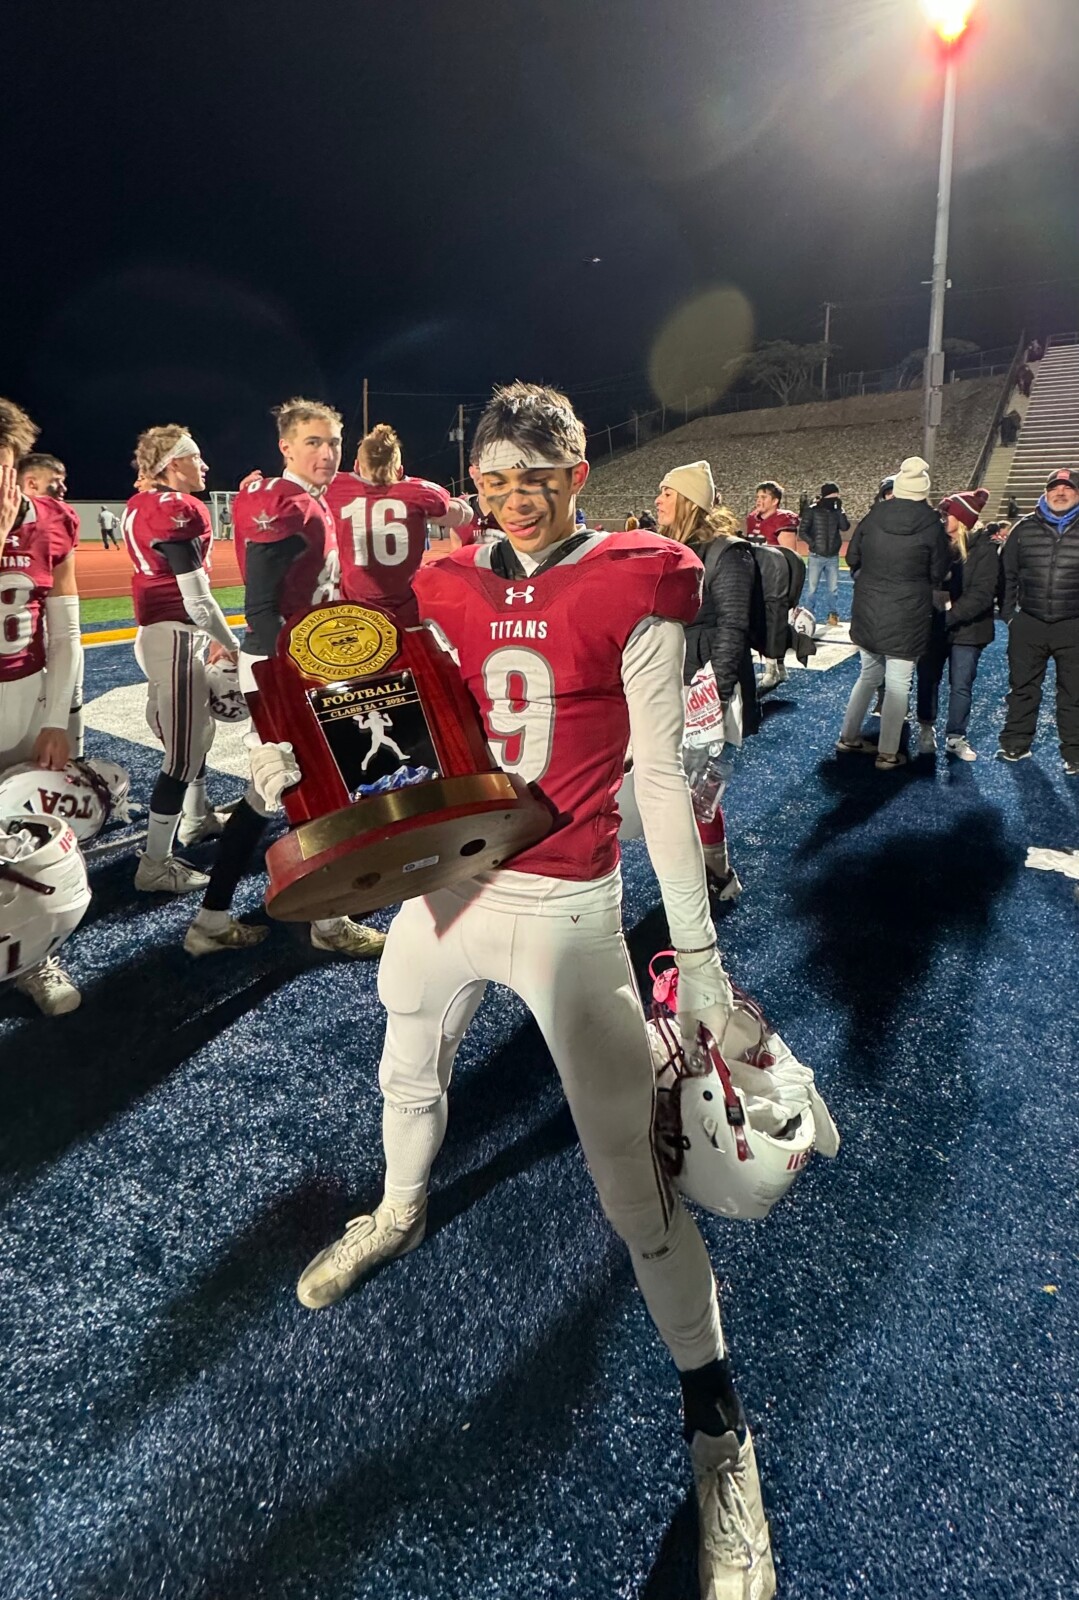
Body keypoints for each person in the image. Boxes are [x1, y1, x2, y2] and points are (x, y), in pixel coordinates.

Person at [270, 383, 778, 1595]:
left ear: (576, 469)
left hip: (566, 904)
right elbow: (420, 733)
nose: (513, 498)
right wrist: (305, 757)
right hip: (454, 882)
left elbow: (658, 780)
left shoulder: (638, 573)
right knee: (403, 1055)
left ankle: (719, 1431)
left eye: (534, 477)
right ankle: (399, 1208)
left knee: (633, 1187)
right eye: (493, 479)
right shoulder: (446, 575)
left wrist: (699, 960)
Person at [183, 396, 386, 958]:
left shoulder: (302, 498)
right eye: (313, 442)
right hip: (285, 664)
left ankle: (213, 919)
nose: (327, 453)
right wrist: (297, 677)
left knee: (272, 789)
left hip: (295, 659)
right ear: (286, 447)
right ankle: (328, 922)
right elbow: (261, 608)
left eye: (334, 442)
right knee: (315, 786)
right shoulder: (286, 504)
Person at [124, 426, 240, 893]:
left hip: (163, 636)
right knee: (183, 755)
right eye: (195, 457)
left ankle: (196, 817)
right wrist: (230, 643)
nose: (204, 465)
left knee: (196, 736)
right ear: (173, 464)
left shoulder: (143, 503)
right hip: (175, 637)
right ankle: (155, 864)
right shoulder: (176, 509)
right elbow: (198, 601)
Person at [0, 398, 83, 1014]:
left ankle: (30, 957)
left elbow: (66, 631)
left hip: (28, 701)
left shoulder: (52, 520)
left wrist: (57, 718)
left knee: (26, 840)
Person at [655, 460, 757, 900]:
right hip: (668, 680)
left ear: (688, 501)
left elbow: (733, 625)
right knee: (677, 786)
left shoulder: (728, 553)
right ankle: (703, 873)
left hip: (703, 686)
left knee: (698, 788)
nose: (658, 500)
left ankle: (717, 873)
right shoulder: (666, 547)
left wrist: (718, 695)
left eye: (667, 493)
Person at [837, 456, 950, 771]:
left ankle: (848, 737)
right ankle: (887, 752)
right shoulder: (932, 524)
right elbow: (939, 571)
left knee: (868, 675)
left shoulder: (874, 515)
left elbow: (853, 557)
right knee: (899, 683)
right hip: (908, 613)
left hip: (869, 607)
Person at [326, 422, 472, 624]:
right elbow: (465, 514)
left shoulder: (335, 487)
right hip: (405, 612)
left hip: (354, 610)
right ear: (400, 470)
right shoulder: (421, 492)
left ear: (357, 466)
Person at [998, 467, 1079, 774]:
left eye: (1068, 488)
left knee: (1074, 693)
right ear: (1045, 492)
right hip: (1029, 622)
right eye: (1055, 488)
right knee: (1022, 688)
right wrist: (1009, 616)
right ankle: (1016, 743)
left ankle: (1075, 752)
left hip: (1073, 625)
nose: (1061, 493)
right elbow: (1007, 574)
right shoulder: (1023, 528)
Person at [914, 489, 996, 761]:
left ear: (962, 519)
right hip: (934, 624)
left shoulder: (984, 550)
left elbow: (982, 595)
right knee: (927, 678)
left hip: (968, 629)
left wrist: (948, 616)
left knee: (961, 684)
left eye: (947, 514)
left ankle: (955, 736)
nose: (942, 518)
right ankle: (926, 728)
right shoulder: (935, 543)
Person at [799, 481, 850, 628]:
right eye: (833, 495)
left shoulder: (837, 511)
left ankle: (833, 616)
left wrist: (840, 511)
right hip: (816, 556)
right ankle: (808, 616)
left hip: (832, 556)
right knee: (811, 589)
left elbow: (845, 527)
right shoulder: (812, 510)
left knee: (833, 589)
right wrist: (813, 544)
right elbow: (802, 531)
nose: (836, 498)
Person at [745, 481, 798, 548]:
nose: (758, 500)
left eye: (763, 497)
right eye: (757, 497)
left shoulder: (783, 520)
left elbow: (789, 553)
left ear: (775, 501)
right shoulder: (752, 518)